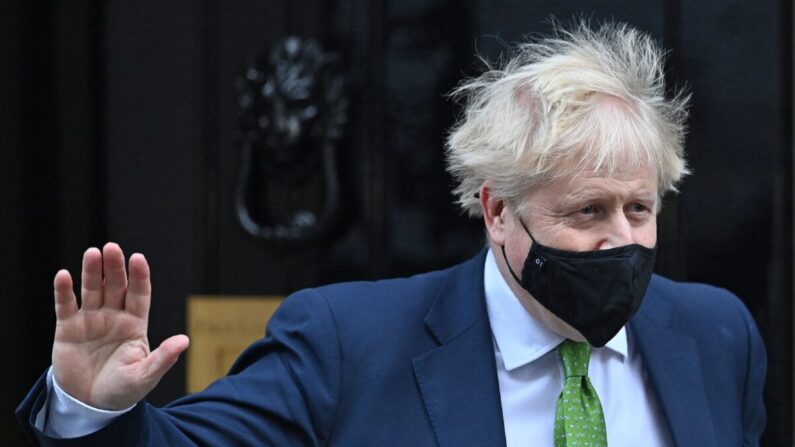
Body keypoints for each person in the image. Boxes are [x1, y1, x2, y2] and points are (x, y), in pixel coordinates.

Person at [18, 21, 766, 446]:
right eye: (586, 211)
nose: (619, 238)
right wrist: (95, 411)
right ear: (497, 211)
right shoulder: (348, 342)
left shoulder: (715, 334)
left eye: (639, 209)